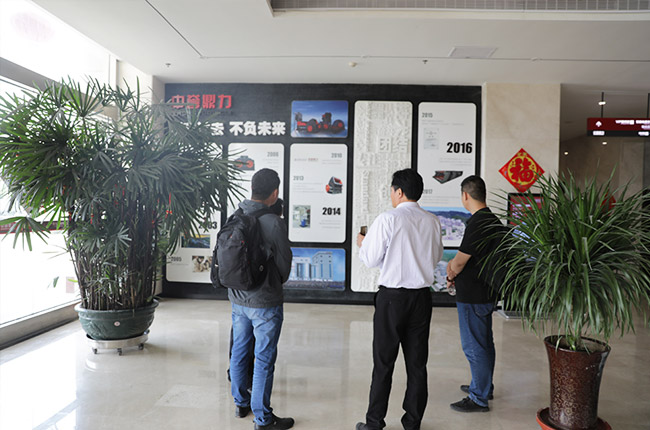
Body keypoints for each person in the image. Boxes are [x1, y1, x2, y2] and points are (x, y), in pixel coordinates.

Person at [355, 168, 444, 430]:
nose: (391, 195)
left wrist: (363, 244)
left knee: (383, 362)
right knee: (417, 364)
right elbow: (436, 257)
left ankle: (374, 423)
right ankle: (412, 422)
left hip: (392, 299)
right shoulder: (432, 220)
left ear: (400, 192)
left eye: (392, 191)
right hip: (421, 299)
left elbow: (371, 259)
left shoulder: (388, 218)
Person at [228, 168, 294, 430]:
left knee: (239, 350)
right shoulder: (274, 222)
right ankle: (263, 418)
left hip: (237, 298)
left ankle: (240, 403)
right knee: (264, 358)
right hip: (265, 301)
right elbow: (284, 264)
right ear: (274, 193)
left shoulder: (236, 215)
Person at [446, 175, 504, 413]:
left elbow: (460, 261)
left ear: (465, 195)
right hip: (485, 292)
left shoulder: (478, 222)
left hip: (473, 295)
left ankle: (479, 397)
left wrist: (450, 271)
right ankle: (483, 386)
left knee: (474, 346)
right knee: (484, 343)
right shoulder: (492, 220)